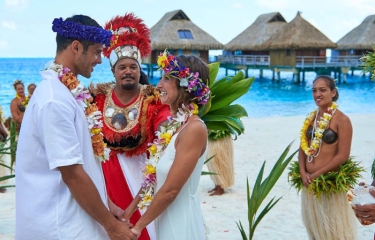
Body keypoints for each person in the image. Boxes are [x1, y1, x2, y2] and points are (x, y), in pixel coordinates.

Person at [16, 15, 136, 240]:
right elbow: (72, 174)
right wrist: (111, 226)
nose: (100, 60)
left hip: (73, 220)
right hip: (59, 226)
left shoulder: (66, 92)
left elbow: (83, 161)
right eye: (97, 52)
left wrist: (106, 203)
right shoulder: (54, 100)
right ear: (76, 47)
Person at [90, 13, 170, 240]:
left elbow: (166, 125)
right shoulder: (97, 99)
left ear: (139, 70)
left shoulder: (152, 99)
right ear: (114, 71)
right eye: (122, 67)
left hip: (141, 177)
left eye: (133, 67)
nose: (127, 71)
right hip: (106, 178)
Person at [125, 51, 210, 240]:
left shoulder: (194, 129)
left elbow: (171, 190)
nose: (158, 85)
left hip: (181, 224)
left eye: (166, 79)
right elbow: (154, 178)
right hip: (165, 220)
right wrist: (128, 212)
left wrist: (137, 228)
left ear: (185, 85)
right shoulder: (175, 126)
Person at [289, 75, 358, 240]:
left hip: (327, 184)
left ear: (333, 92)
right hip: (309, 183)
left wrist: (316, 174)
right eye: (314, 90)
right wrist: (303, 172)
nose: (317, 94)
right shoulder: (311, 118)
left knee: (333, 231)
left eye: (322, 90)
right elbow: (302, 148)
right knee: (315, 230)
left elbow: (343, 155)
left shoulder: (342, 120)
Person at [206, 130, 235, 196]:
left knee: (219, 161)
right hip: (212, 135)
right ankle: (217, 186)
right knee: (213, 162)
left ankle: (220, 188)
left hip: (220, 136)